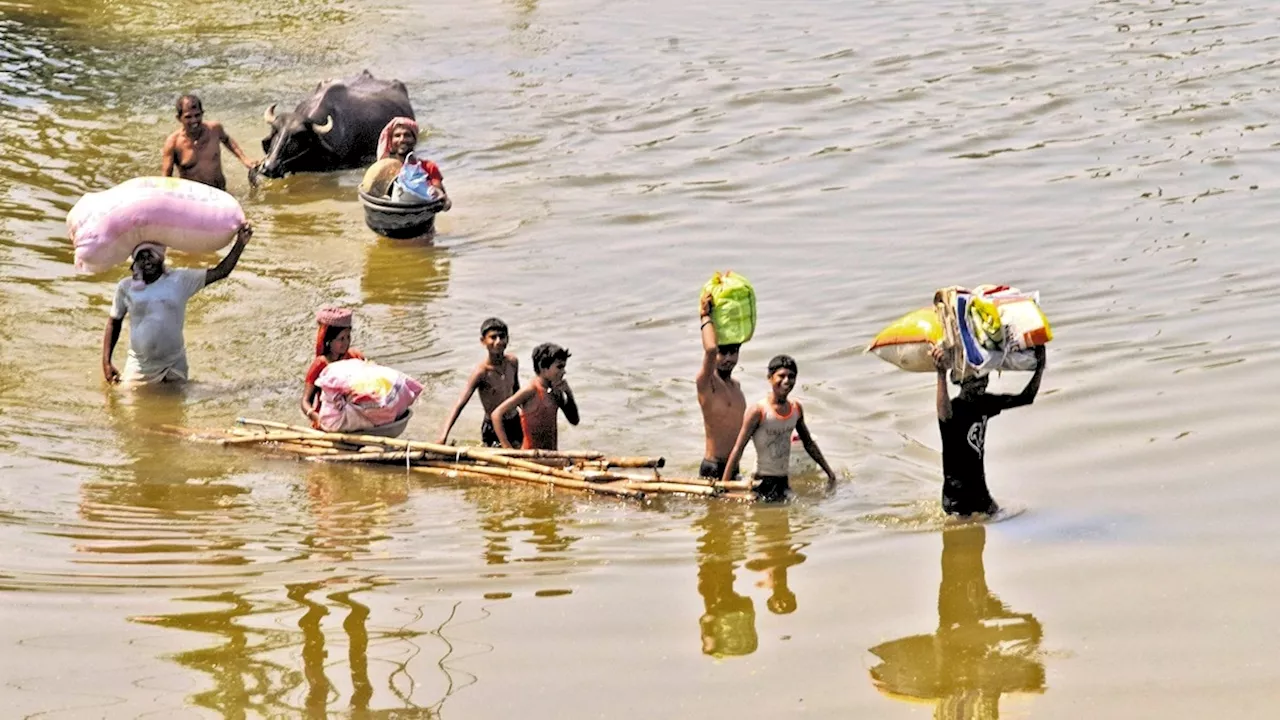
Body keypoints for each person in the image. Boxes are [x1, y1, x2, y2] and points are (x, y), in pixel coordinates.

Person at [102, 223, 253, 385]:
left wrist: (240, 243)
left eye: (150, 255)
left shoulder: (180, 280)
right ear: (134, 262)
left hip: (174, 364)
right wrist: (106, 362)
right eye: (141, 256)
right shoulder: (126, 287)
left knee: (177, 408)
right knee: (129, 407)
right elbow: (114, 322)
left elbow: (221, 272)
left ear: (161, 257)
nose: (146, 261)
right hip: (140, 366)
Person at [931, 344, 1047, 516]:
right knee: (962, 537)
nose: (983, 383)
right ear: (962, 382)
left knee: (995, 517)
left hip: (980, 492)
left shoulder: (983, 404)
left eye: (985, 378)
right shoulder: (953, 410)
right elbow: (943, 410)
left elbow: (1026, 398)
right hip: (957, 497)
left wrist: (1040, 367)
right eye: (977, 379)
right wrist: (940, 373)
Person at [721, 355, 837, 501]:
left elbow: (808, 443)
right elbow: (738, 448)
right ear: (770, 377)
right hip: (761, 482)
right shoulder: (759, 411)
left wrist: (829, 473)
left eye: (791, 376)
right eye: (781, 376)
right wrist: (723, 486)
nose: (787, 381)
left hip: (783, 481)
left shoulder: (796, 408)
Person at [437, 318, 522, 447]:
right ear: (483, 341)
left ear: (508, 339)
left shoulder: (512, 362)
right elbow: (460, 404)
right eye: (493, 337)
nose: (498, 341)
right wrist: (443, 436)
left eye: (502, 337)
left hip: (514, 422)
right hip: (493, 428)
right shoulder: (481, 373)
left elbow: (517, 392)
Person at [490, 343, 578, 450]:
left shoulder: (555, 392)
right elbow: (496, 414)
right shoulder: (531, 390)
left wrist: (568, 393)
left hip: (551, 455)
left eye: (564, 367)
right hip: (530, 456)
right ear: (543, 367)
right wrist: (507, 448)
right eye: (559, 367)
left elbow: (574, 420)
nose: (564, 371)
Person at [161, 94, 258, 191]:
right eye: (188, 117)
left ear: (202, 113)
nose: (194, 120)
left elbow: (227, 140)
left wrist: (245, 160)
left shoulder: (215, 130)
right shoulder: (173, 143)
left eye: (197, 115)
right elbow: (166, 179)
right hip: (193, 197)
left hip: (220, 192)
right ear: (179, 118)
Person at [696, 292, 746, 479]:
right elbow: (710, 349)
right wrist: (705, 315)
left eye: (733, 352)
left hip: (734, 467)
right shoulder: (707, 383)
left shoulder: (737, 388)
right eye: (723, 353)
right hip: (713, 467)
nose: (728, 358)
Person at [301, 308, 367, 428]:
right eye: (341, 339)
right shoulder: (321, 364)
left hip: (355, 421)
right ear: (329, 342)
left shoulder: (356, 357)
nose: (346, 343)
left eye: (348, 337)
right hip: (327, 424)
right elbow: (305, 401)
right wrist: (316, 417)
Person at [373, 117, 452, 211]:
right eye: (397, 136)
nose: (402, 140)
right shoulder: (385, 169)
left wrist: (440, 198)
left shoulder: (428, 167)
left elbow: (445, 202)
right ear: (391, 141)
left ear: (414, 139)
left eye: (407, 135)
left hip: (422, 220)